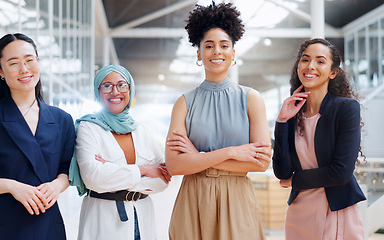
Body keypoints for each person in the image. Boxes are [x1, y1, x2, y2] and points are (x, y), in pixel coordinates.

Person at [165, 2, 272, 240]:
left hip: (237, 199)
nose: (217, 52)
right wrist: (232, 152)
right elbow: (174, 165)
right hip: (193, 199)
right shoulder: (184, 102)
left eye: (224, 46)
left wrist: (198, 157)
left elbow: (260, 163)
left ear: (233, 53)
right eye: (209, 46)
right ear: (199, 53)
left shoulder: (251, 99)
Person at [0, 33, 75, 240]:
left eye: (30, 60)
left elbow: (67, 169)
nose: (24, 69)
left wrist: (56, 186)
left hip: (47, 225)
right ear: (0, 71)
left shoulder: (62, 119)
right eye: (13, 63)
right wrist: (12, 187)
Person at [272, 38, 366, 239]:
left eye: (320, 61)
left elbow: (341, 172)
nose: (310, 66)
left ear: (333, 72)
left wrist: (295, 179)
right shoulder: (291, 112)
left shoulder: (346, 109)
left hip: (335, 209)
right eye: (305, 60)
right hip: (299, 212)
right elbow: (282, 172)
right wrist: (281, 121)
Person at [71, 64, 171, 240]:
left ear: (130, 89)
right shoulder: (88, 127)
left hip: (141, 216)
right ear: (97, 91)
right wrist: (144, 170)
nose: (115, 91)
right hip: (104, 218)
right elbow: (93, 177)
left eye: (121, 85)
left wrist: (111, 171)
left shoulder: (142, 130)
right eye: (107, 86)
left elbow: (163, 178)